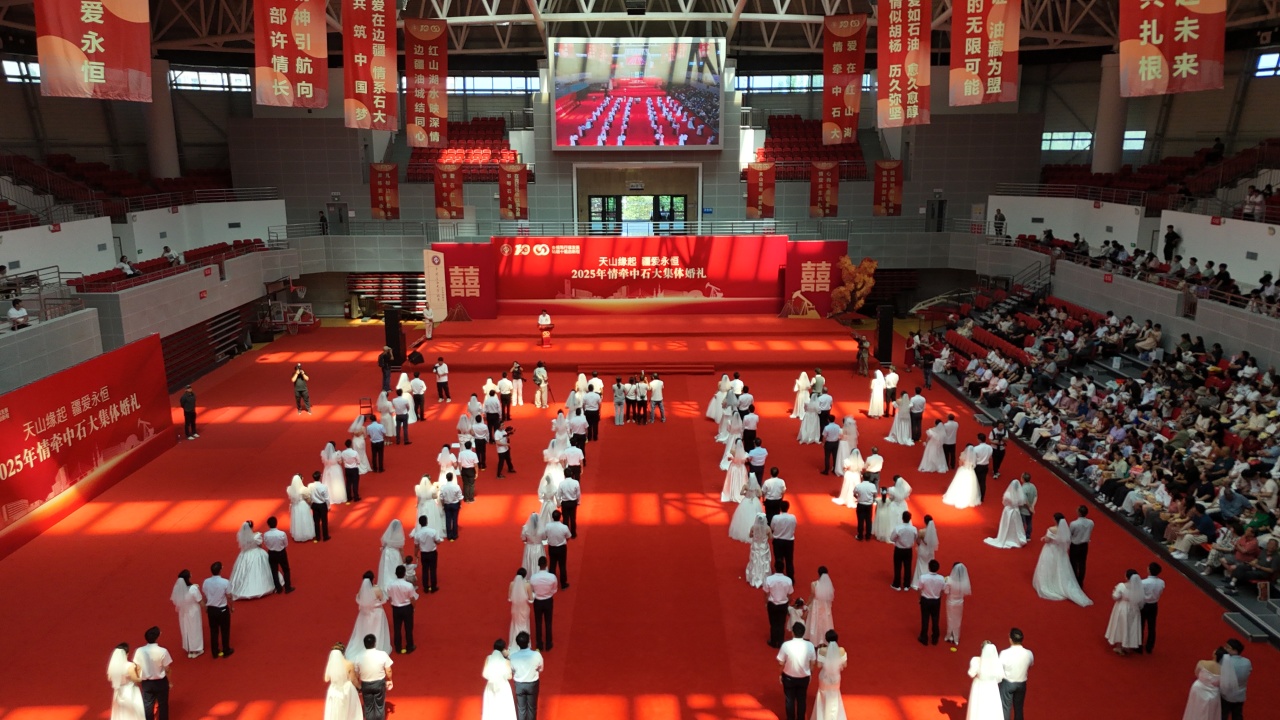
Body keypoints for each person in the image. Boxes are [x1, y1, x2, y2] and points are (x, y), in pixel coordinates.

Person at [1031, 514, 1092, 606]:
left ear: (1055, 520)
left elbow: (1047, 540)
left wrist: (1044, 538)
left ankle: (1048, 582)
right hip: (1060, 551)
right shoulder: (1065, 530)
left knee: (1048, 565)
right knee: (1060, 567)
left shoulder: (1051, 529)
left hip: (1051, 550)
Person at [346, 573, 391, 660]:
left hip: (364, 614)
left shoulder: (361, 590)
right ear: (373, 579)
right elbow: (382, 599)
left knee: (365, 629)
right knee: (377, 629)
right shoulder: (377, 589)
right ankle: (377, 645)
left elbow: (359, 599)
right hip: (377, 613)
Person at [777, 621, 815, 720]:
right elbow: (812, 662)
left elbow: (781, 662)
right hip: (804, 677)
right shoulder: (810, 645)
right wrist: (810, 673)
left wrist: (780, 674)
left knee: (789, 700)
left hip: (788, 677)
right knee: (802, 700)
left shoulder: (786, 645)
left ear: (793, 632)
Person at [134, 626, 172, 720]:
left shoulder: (139, 651)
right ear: (157, 637)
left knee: (147, 704)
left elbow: (137, 667)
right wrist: (170, 682)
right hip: (161, 682)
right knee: (163, 704)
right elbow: (167, 668)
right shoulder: (163, 651)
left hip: (146, 682)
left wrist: (139, 679)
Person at [229, 520, 274, 599]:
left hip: (245, 554)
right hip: (256, 552)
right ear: (252, 527)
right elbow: (260, 545)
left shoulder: (241, 535)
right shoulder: (256, 536)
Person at [1104, 569, 1145, 655]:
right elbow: (1140, 600)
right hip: (1134, 609)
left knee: (1120, 626)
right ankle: (1127, 646)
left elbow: (1115, 597)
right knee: (1131, 626)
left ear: (1127, 577)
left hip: (1123, 607)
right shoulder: (1139, 588)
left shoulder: (1122, 586)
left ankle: (1119, 647)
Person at [354, 634, 394, 720]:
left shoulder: (358, 657)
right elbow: (389, 670)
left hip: (365, 684)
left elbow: (356, 674)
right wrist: (389, 680)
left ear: (364, 644)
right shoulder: (382, 654)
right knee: (380, 706)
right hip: (379, 683)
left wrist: (358, 686)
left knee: (368, 707)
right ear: (375, 643)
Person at [810, 630, 847, 720]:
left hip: (824, 678)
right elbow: (845, 665)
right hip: (836, 678)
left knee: (823, 696)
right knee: (834, 696)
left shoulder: (822, 650)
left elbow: (819, 665)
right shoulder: (841, 650)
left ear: (826, 639)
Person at [999, 628, 1033, 720]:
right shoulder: (1029, 653)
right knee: (1019, 709)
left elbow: (999, 667)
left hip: (1007, 683)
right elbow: (1031, 664)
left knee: (1005, 709)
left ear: (1010, 639)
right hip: (1022, 684)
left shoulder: (1004, 653)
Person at [966, 642, 1007, 720]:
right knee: (991, 708)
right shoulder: (997, 663)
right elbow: (1000, 676)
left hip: (979, 686)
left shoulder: (976, 660)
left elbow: (971, 674)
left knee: (978, 707)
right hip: (992, 687)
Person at [1179, 647, 1223, 720]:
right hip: (1213, 693)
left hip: (1198, 688)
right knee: (1210, 712)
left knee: (1194, 709)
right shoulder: (1224, 670)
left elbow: (1196, 673)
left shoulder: (1202, 663)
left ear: (1215, 655)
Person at [983, 477, 1027, 549]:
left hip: (1008, 511)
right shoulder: (1020, 495)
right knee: (1015, 526)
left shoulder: (1007, 494)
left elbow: (1004, 502)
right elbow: (1021, 503)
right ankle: (1015, 538)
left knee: (1006, 525)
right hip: (1016, 512)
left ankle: (1005, 537)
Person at [202, 562, 234, 658]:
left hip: (211, 610)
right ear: (220, 570)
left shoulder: (206, 582)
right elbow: (229, 596)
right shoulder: (225, 582)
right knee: (225, 630)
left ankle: (215, 652)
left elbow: (205, 595)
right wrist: (232, 606)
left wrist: (206, 607)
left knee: (213, 631)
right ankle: (226, 650)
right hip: (222, 609)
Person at [480, 639, 517, 720]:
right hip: (503, 686)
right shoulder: (506, 661)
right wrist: (507, 657)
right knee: (503, 707)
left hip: (490, 685)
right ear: (503, 649)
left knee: (491, 707)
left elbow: (484, 674)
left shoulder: (488, 658)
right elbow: (509, 676)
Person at [509, 631, 543, 720]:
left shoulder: (513, 656)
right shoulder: (536, 655)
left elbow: (512, 670)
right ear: (528, 641)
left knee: (521, 709)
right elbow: (541, 669)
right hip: (532, 684)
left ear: (517, 643)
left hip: (519, 684)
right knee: (532, 708)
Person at [170, 570, 204, 658]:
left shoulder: (178, 589)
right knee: (195, 629)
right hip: (193, 611)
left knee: (186, 630)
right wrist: (206, 608)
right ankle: (196, 650)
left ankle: (189, 649)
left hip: (183, 612)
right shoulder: (193, 589)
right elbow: (199, 600)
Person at [323, 643, 362, 720]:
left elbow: (326, 679)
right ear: (343, 653)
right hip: (347, 690)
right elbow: (353, 679)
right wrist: (360, 687)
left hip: (334, 690)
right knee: (349, 711)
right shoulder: (349, 664)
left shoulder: (331, 665)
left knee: (335, 710)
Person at [107, 643, 145, 720]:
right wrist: (141, 674)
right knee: (133, 711)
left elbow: (109, 678)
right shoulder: (129, 666)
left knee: (120, 712)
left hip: (118, 692)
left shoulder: (113, 667)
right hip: (130, 692)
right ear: (126, 654)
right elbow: (135, 679)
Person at [386, 565, 418, 654]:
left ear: (396, 573)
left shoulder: (390, 585)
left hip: (396, 608)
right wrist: (414, 607)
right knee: (408, 628)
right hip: (407, 608)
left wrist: (393, 605)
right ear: (404, 573)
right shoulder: (409, 585)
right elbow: (412, 598)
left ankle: (398, 647)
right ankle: (410, 646)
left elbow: (390, 598)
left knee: (397, 628)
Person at [764, 560, 794, 647]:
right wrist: (788, 603)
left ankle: (773, 641)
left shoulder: (769, 579)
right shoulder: (788, 580)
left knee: (773, 623)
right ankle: (780, 641)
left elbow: (766, 593)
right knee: (781, 623)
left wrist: (766, 603)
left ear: (775, 567)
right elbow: (790, 594)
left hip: (772, 604)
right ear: (783, 568)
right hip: (783, 604)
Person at [530, 557, 558, 651]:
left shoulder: (533, 577)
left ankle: (539, 644)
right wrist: (548, 593)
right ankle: (549, 643)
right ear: (546, 564)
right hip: (548, 601)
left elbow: (532, 590)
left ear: (538, 565)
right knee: (548, 622)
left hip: (538, 601)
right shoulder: (552, 577)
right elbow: (554, 589)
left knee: (538, 623)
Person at [1219, 638, 1251, 720]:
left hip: (1226, 695)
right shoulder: (1247, 662)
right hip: (1240, 695)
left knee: (1222, 715)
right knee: (1237, 716)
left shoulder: (1225, 661)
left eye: (1227, 647)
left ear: (1235, 650)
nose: (1225, 649)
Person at [262, 516, 295, 594]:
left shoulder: (266, 534)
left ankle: (278, 588)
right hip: (281, 553)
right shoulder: (281, 533)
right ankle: (287, 587)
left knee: (274, 571)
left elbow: (266, 543)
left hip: (271, 553)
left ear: (268, 525)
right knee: (286, 569)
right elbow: (285, 544)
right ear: (276, 523)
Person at [943, 562, 972, 645]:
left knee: (950, 618)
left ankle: (949, 635)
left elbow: (946, 591)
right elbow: (965, 592)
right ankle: (956, 637)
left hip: (951, 602)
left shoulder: (949, 580)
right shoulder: (964, 581)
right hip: (959, 602)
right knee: (957, 619)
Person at [1140, 562, 1164, 654]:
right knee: (1152, 626)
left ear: (1149, 570)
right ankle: (1149, 646)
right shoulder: (1161, 582)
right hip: (1154, 605)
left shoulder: (1143, 582)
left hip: (1144, 605)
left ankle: (1138, 645)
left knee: (1140, 625)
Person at [890, 511, 918, 591]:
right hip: (908, 550)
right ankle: (907, 585)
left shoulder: (898, 528)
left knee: (897, 567)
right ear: (910, 519)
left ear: (902, 518)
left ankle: (897, 584)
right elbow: (916, 538)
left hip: (899, 550)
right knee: (908, 567)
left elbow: (892, 538)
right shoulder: (914, 529)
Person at [806, 567, 835, 644]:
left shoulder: (814, 584)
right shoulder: (828, 585)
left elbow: (812, 595)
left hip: (816, 605)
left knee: (815, 621)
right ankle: (825, 638)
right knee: (825, 621)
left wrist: (807, 604)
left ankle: (815, 639)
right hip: (825, 605)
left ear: (818, 574)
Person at [376, 519, 406, 592]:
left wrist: (383, 549)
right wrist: (403, 558)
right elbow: (401, 549)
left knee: (386, 568)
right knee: (394, 568)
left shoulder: (388, 533)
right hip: (395, 553)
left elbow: (384, 544)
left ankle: (385, 583)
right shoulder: (399, 535)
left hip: (386, 552)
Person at [1068, 506, 1094, 587]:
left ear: (1079, 512)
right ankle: (1080, 581)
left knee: (1073, 563)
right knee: (1082, 563)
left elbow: (1070, 534)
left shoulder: (1074, 523)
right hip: (1084, 545)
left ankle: (1074, 579)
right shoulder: (1091, 522)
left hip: (1075, 545)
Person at [770, 500, 797, 580]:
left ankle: (778, 577)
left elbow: (772, 527)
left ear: (780, 508)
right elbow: (794, 526)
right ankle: (791, 578)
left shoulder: (775, 517)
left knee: (778, 559)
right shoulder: (793, 517)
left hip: (778, 541)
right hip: (789, 541)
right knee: (789, 560)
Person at [545, 510, 571, 588]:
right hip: (561, 548)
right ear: (560, 517)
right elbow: (568, 536)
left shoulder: (547, 526)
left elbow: (545, 535)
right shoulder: (564, 527)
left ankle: (551, 583)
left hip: (552, 548)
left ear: (552, 517)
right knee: (562, 565)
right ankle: (563, 584)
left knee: (552, 565)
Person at [911, 515, 939, 589]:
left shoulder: (921, 531)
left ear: (925, 521)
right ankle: (928, 582)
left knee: (920, 564)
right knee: (928, 564)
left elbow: (917, 541)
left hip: (923, 550)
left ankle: (919, 581)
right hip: (930, 551)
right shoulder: (934, 532)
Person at [509, 569, 534, 648]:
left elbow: (509, 598)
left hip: (515, 609)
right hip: (524, 609)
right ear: (525, 576)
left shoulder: (512, 584)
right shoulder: (527, 585)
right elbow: (531, 599)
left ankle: (515, 641)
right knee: (524, 624)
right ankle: (525, 642)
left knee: (516, 624)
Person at [308, 472, 332, 542]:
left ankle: (317, 537)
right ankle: (325, 536)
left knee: (316, 521)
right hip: (322, 505)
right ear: (320, 477)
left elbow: (309, 495)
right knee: (324, 521)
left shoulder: (310, 485)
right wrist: (328, 506)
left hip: (314, 505)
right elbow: (327, 498)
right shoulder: (324, 486)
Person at [972, 434, 993, 501]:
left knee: (976, 481)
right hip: (985, 466)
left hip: (978, 466)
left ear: (979, 439)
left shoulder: (976, 448)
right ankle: (982, 497)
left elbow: (974, 458)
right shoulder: (990, 447)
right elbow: (990, 457)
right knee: (983, 482)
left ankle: (975, 495)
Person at [1019, 474, 1037, 538]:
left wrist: (1029, 507)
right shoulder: (1033, 486)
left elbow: (1024, 500)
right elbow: (1035, 496)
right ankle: (1028, 536)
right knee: (1029, 522)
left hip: (1024, 509)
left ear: (1023, 479)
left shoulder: (1023, 488)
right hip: (1030, 509)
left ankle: (1021, 535)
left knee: (1022, 523)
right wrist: (1032, 506)